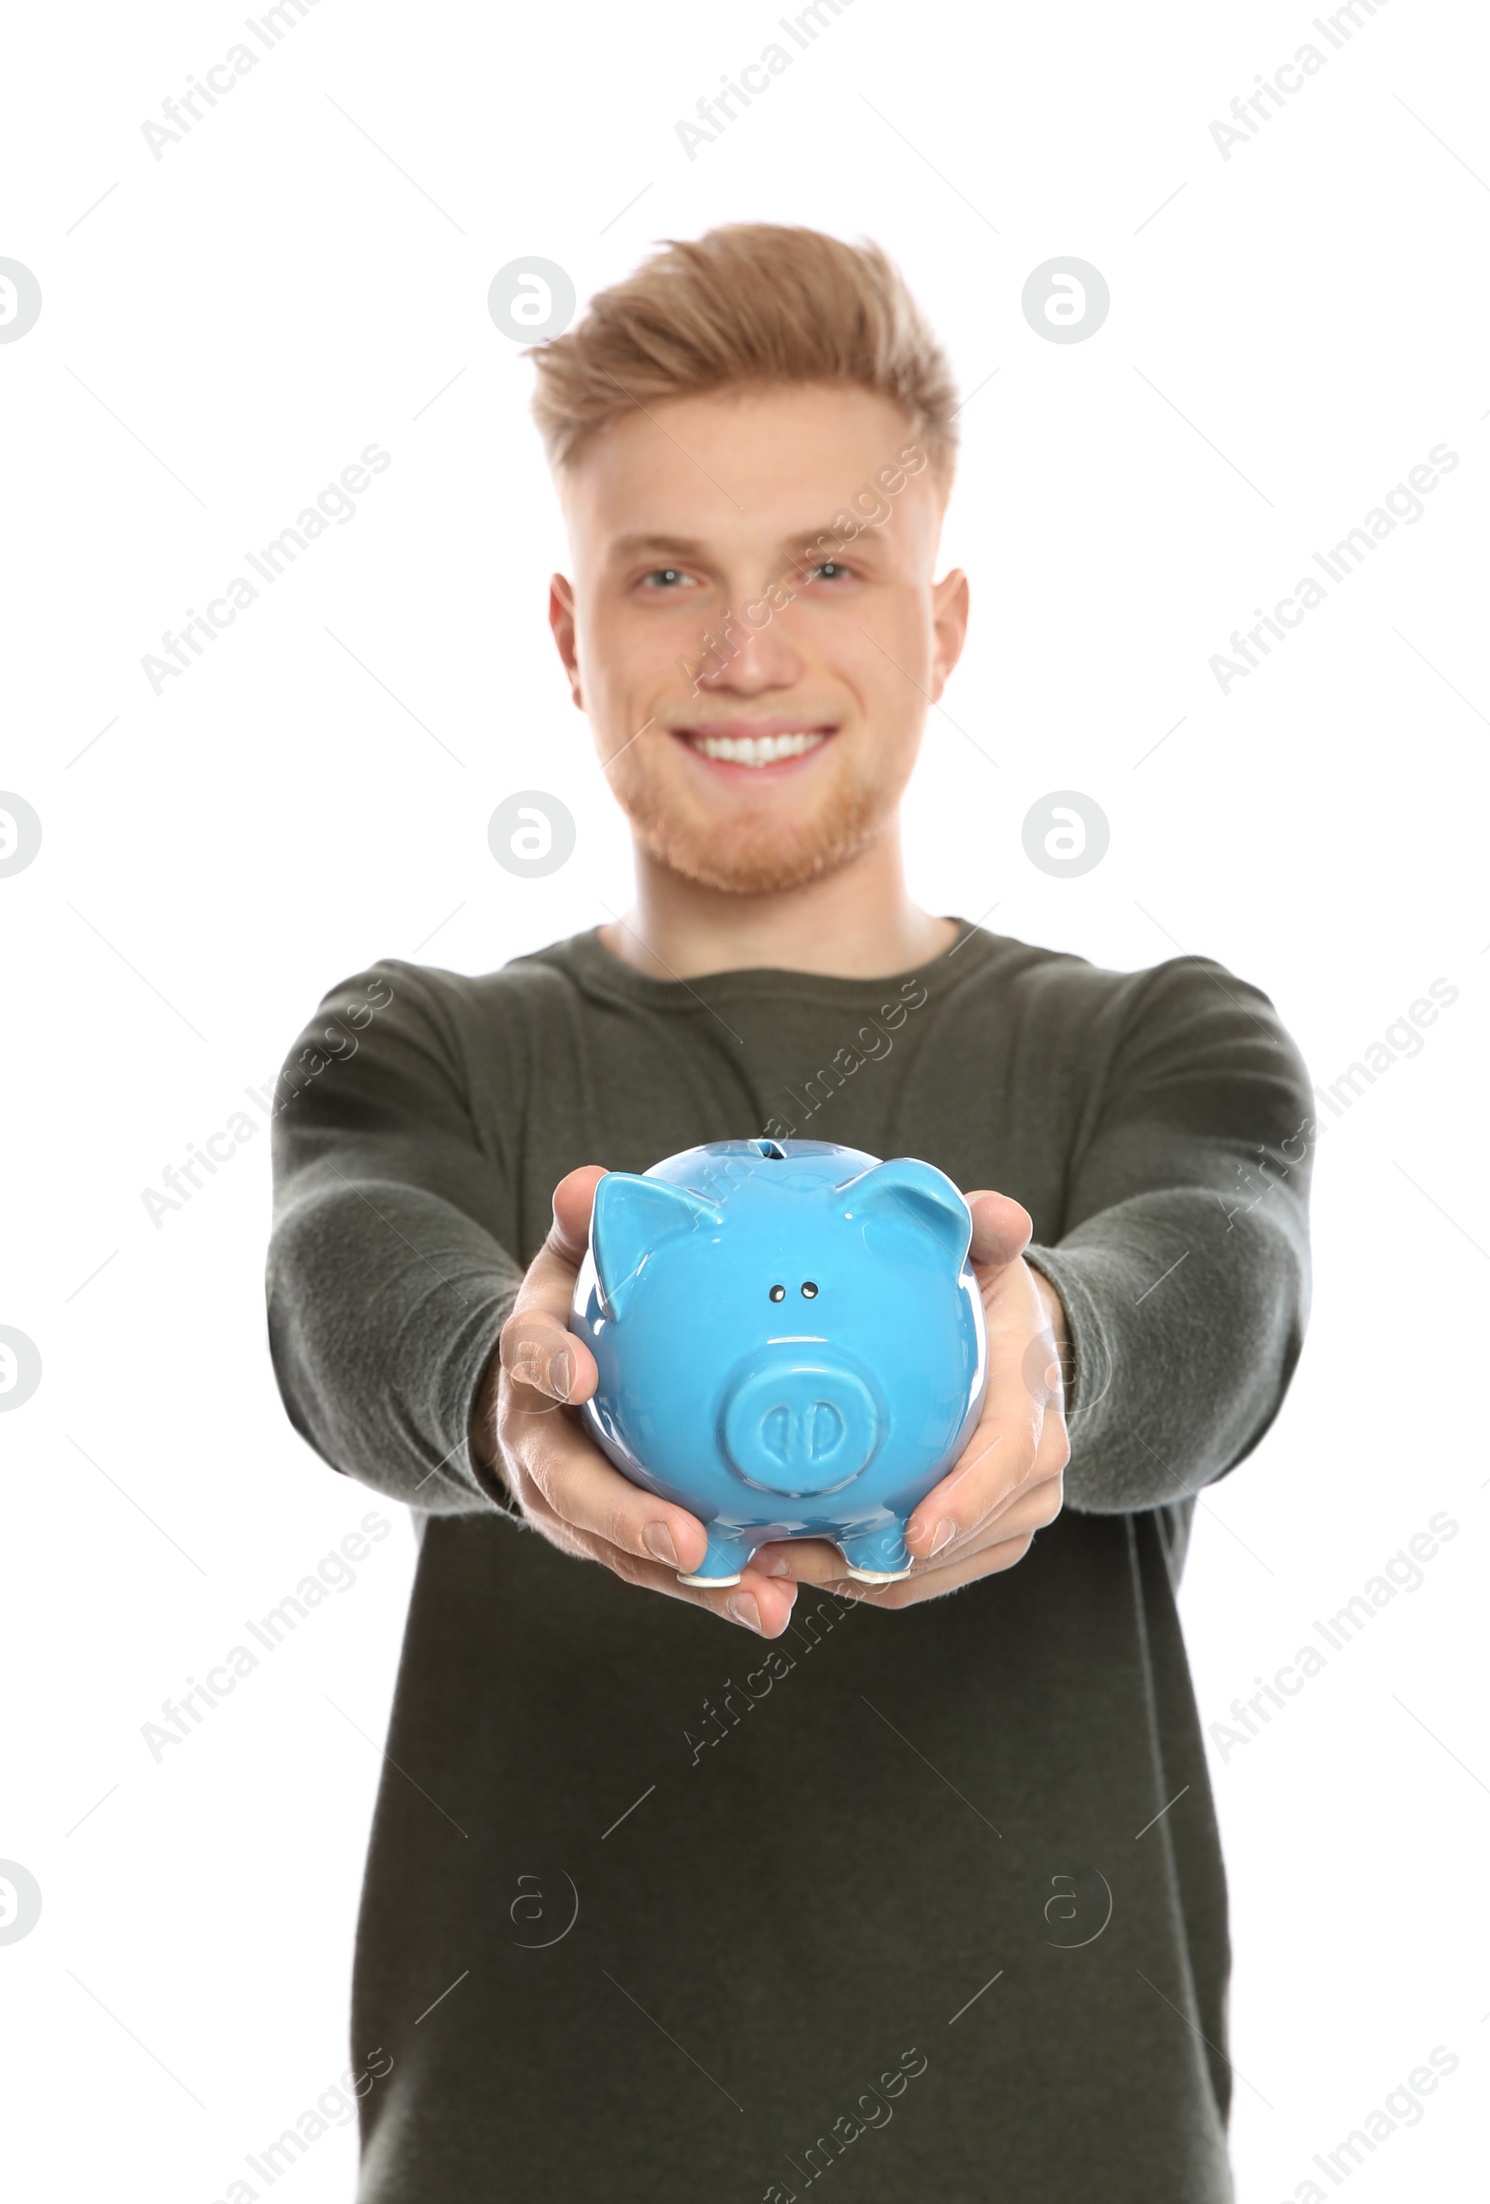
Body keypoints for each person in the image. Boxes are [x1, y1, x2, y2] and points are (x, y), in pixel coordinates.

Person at [266, 222, 1313, 2203]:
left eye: (826, 567)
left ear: (943, 624)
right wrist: (500, 1398)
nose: (746, 654)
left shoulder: (1155, 1043)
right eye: (666, 577)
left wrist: (1046, 1359)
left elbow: (1218, 1295)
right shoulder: (417, 1049)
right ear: (573, 637)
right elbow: (345, 1296)